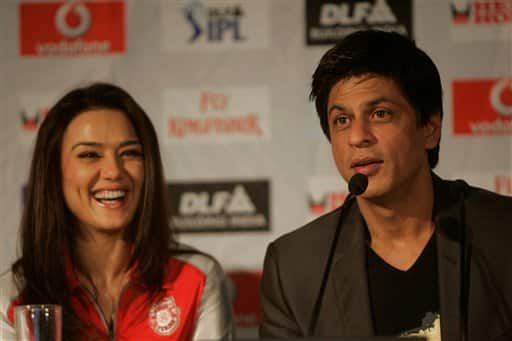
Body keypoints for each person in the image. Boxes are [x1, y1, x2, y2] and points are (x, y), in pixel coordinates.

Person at [260, 30, 512, 340]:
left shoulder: (501, 235)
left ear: (429, 129)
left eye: (380, 114)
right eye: (341, 120)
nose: (357, 137)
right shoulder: (295, 268)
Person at [0, 83, 234, 340]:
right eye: (90, 154)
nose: (113, 171)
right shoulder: (12, 296)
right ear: (54, 172)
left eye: (130, 153)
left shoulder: (196, 278)